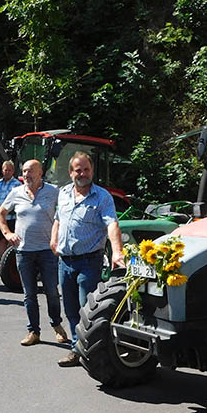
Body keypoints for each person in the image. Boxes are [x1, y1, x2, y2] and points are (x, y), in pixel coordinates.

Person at [51, 152, 125, 366]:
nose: (82, 174)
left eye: (86, 170)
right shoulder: (64, 193)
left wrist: (117, 251)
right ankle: (77, 348)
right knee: (71, 309)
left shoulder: (102, 197)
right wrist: (53, 238)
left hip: (89, 262)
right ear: (70, 172)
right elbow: (57, 219)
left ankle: (93, 352)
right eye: (78, 170)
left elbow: (112, 224)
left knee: (89, 309)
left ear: (92, 171)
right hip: (65, 262)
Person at [0, 159, 68, 346]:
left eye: (30, 171)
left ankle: (57, 326)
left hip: (47, 250)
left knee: (52, 291)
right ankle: (33, 332)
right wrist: (7, 233)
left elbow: (66, 212)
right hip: (24, 251)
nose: (26, 175)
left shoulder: (53, 192)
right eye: (24, 171)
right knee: (29, 294)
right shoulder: (16, 192)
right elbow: (0, 214)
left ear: (40, 172)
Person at [0, 160, 19, 258]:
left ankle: (10, 262)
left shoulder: (17, 184)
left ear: (13, 171)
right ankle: (3, 262)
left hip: (12, 217)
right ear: (2, 170)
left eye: (9, 170)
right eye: (5, 170)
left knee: (11, 240)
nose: (7, 172)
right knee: (1, 240)